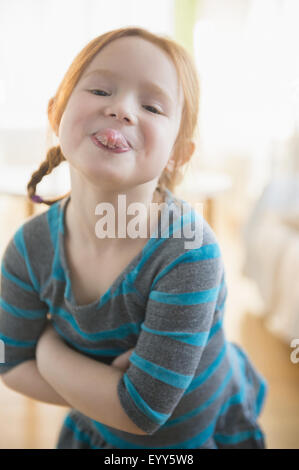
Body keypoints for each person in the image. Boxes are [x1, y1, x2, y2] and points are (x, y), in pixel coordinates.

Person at [0, 26, 267, 449]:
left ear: (178, 153)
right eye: (102, 90)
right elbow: (10, 364)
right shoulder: (26, 252)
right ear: (57, 113)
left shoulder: (187, 252)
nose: (123, 109)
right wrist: (108, 392)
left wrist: (47, 349)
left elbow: (142, 412)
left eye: (151, 105)